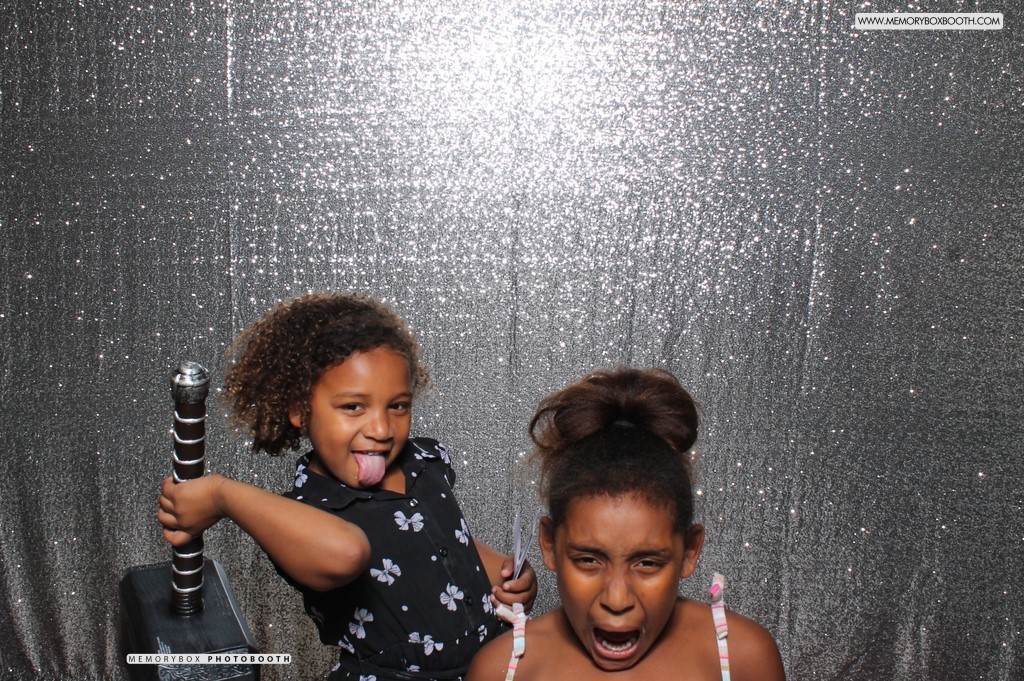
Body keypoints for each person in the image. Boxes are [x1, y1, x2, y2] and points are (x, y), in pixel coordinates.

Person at [158, 293, 537, 680]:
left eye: (398, 405)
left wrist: (513, 579)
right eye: (353, 407)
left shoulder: (423, 464)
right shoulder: (305, 512)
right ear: (299, 410)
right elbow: (346, 552)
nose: (381, 429)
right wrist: (221, 495)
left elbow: (447, 545)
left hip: (491, 665)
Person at [467, 367, 785, 681]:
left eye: (647, 563)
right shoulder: (502, 669)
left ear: (690, 551)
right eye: (588, 560)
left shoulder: (744, 657)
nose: (617, 600)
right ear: (549, 545)